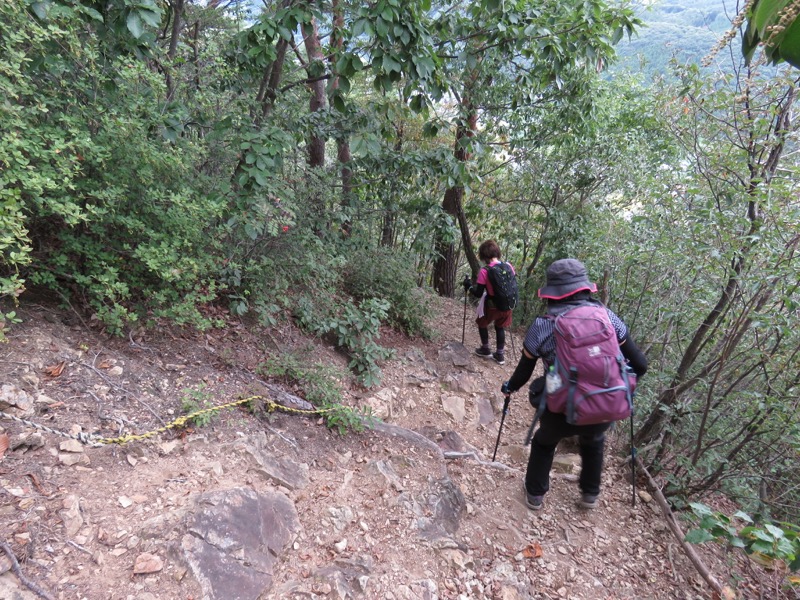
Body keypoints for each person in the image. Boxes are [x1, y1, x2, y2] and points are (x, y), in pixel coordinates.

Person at [500, 258, 648, 510]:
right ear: (584, 288)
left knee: (544, 442)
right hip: (606, 405)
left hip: (561, 408)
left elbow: (524, 371)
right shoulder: (609, 318)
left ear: (552, 293)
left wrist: (509, 387)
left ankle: (535, 495)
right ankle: (590, 494)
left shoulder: (542, 326)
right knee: (594, 439)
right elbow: (640, 366)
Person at [462, 240, 515, 365]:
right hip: (508, 305)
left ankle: (485, 349)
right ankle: (500, 355)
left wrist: (469, 286)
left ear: (483, 256)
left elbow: (478, 293)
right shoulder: (508, 266)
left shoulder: (485, 271)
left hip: (492, 305)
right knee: (499, 326)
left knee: (482, 322)